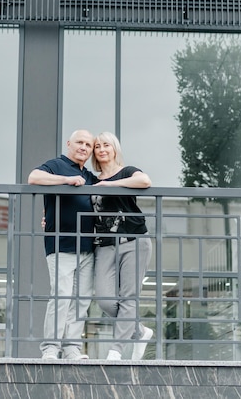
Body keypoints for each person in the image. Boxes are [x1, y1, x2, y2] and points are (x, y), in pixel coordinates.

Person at [28, 129, 98, 360]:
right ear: (69, 143)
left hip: (88, 247)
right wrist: (66, 180)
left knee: (81, 301)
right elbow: (34, 178)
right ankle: (51, 348)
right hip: (61, 244)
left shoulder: (89, 175)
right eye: (79, 142)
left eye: (88, 145)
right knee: (61, 296)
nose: (83, 148)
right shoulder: (57, 165)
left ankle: (71, 349)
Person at [91, 131, 153, 361]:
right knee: (105, 300)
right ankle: (139, 331)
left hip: (134, 240)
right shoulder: (91, 178)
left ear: (115, 148)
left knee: (129, 297)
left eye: (106, 145)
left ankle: (116, 350)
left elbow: (145, 181)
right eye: (97, 146)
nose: (102, 149)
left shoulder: (127, 172)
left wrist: (110, 184)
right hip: (105, 244)